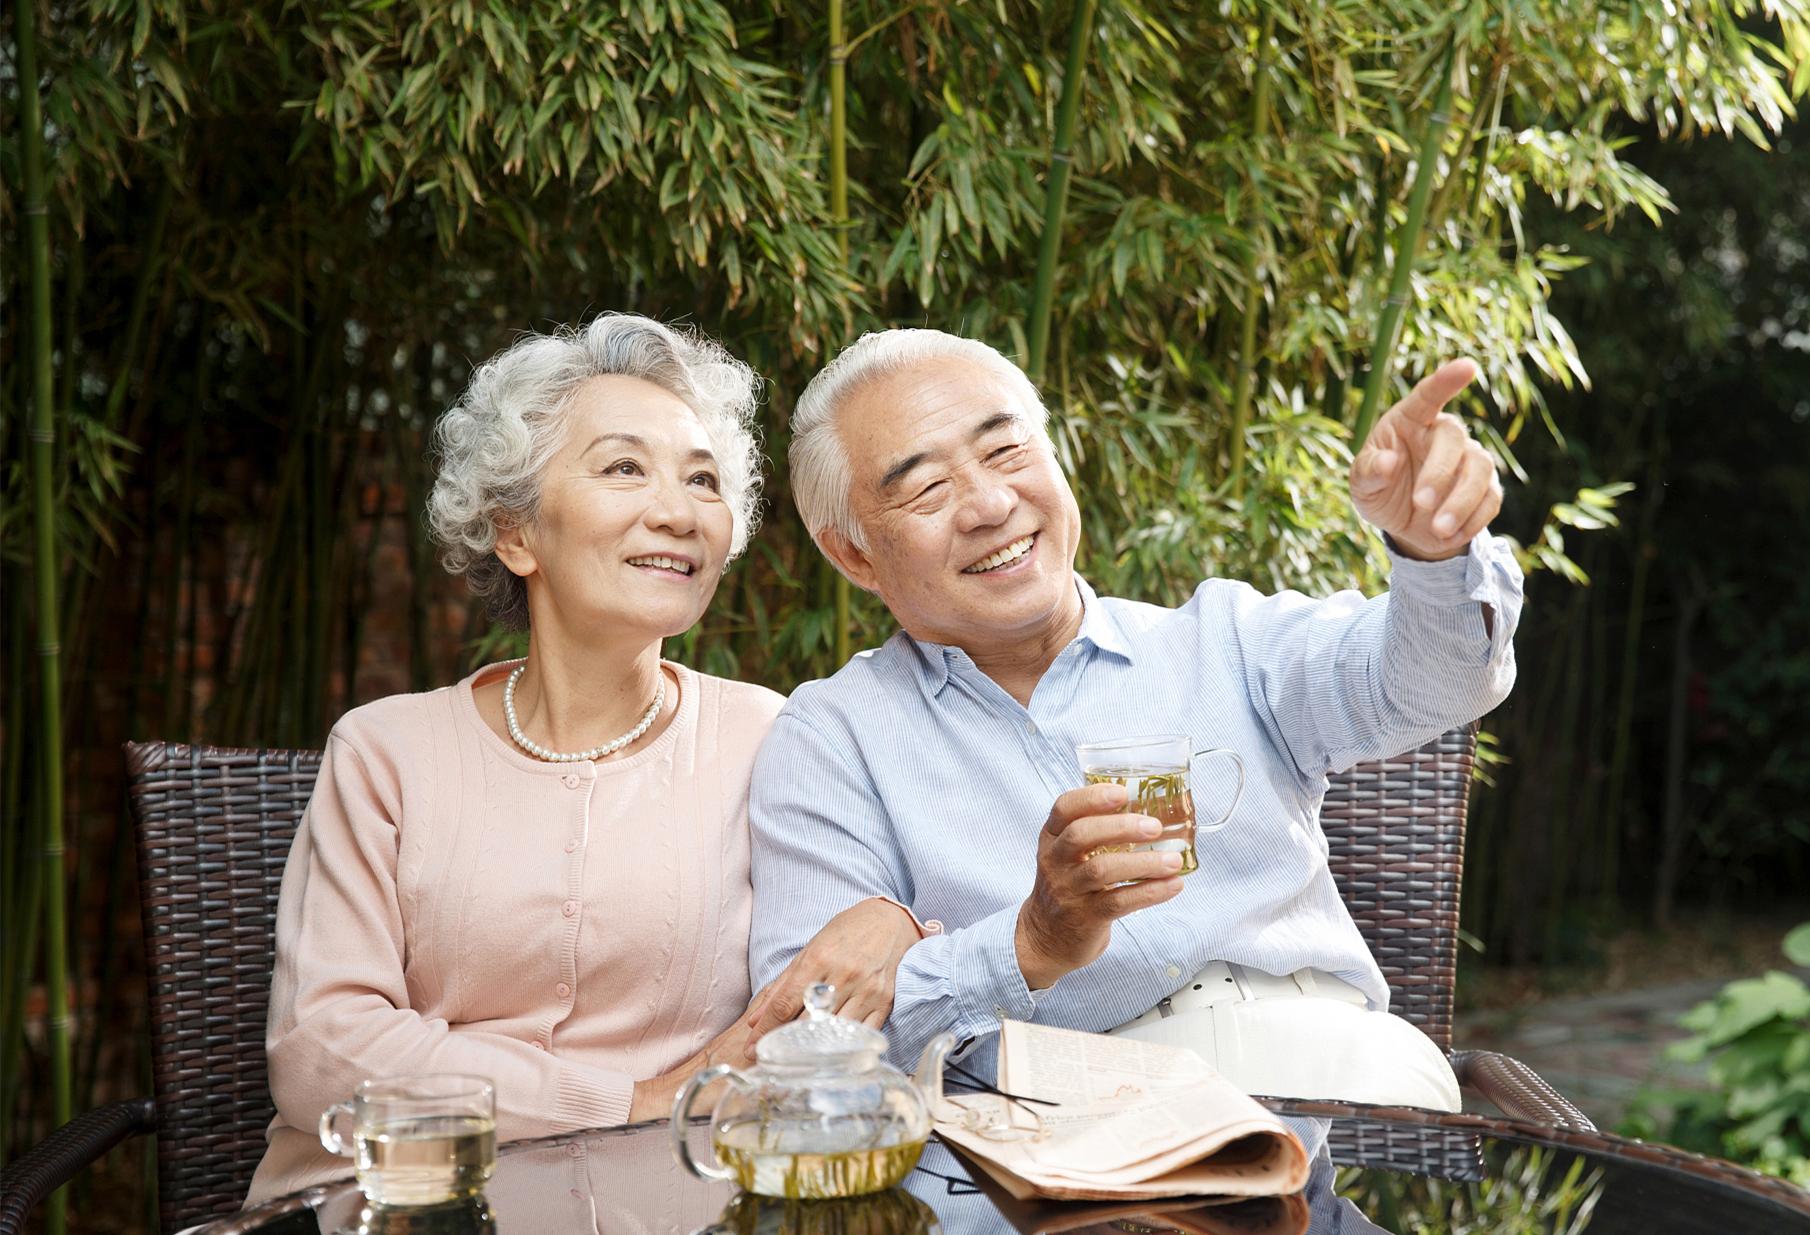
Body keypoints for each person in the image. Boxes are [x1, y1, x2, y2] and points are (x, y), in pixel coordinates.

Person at [746, 331, 1518, 1130]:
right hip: (1061, 1155)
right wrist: (1029, 943)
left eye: (1006, 450)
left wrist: (1433, 554)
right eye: (928, 488)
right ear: (854, 555)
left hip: (1323, 1104)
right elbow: (809, 1051)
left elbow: (1436, 681)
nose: (989, 505)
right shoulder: (832, 739)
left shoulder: (1224, 640)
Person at [247, 315, 922, 1204]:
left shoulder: (776, 737)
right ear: (515, 531)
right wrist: (637, 1096)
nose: (678, 512)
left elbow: (841, 996)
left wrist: (898, 921)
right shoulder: (384, 752)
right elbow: (324, 1049)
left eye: (704, 480)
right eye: (623, 467)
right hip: (398, 1205)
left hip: (673, 1206)